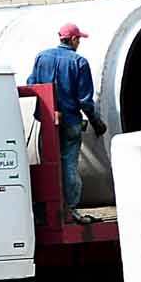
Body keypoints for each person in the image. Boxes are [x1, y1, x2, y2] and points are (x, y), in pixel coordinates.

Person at [27, 24, 107, 220]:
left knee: (49, 164)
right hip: (70, 123)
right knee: (69, 165)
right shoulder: (79, 62)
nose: (79, 43)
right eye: (78, 39)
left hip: (47, 122)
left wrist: (49, 110)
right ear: (72, 40)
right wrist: (98, 124)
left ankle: (46, 208)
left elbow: (31, 84)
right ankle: (69, 209)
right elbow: (85, 101)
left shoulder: (41, 57)